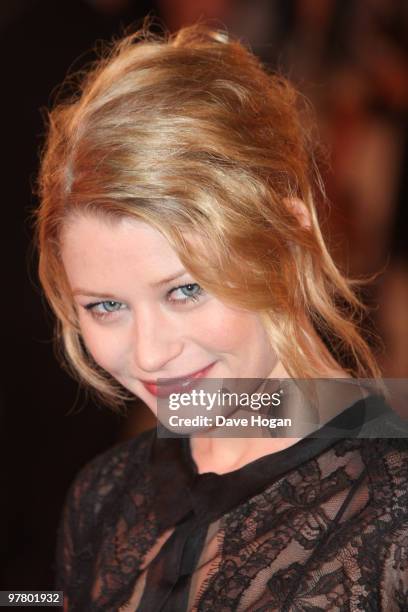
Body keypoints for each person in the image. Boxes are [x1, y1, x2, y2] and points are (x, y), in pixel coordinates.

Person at [34, 20, 408, 611]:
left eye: (185, 291)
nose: (151, 353)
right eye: (106, 306)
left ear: (288, 237)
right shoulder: (104, 496)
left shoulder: (393, 517)